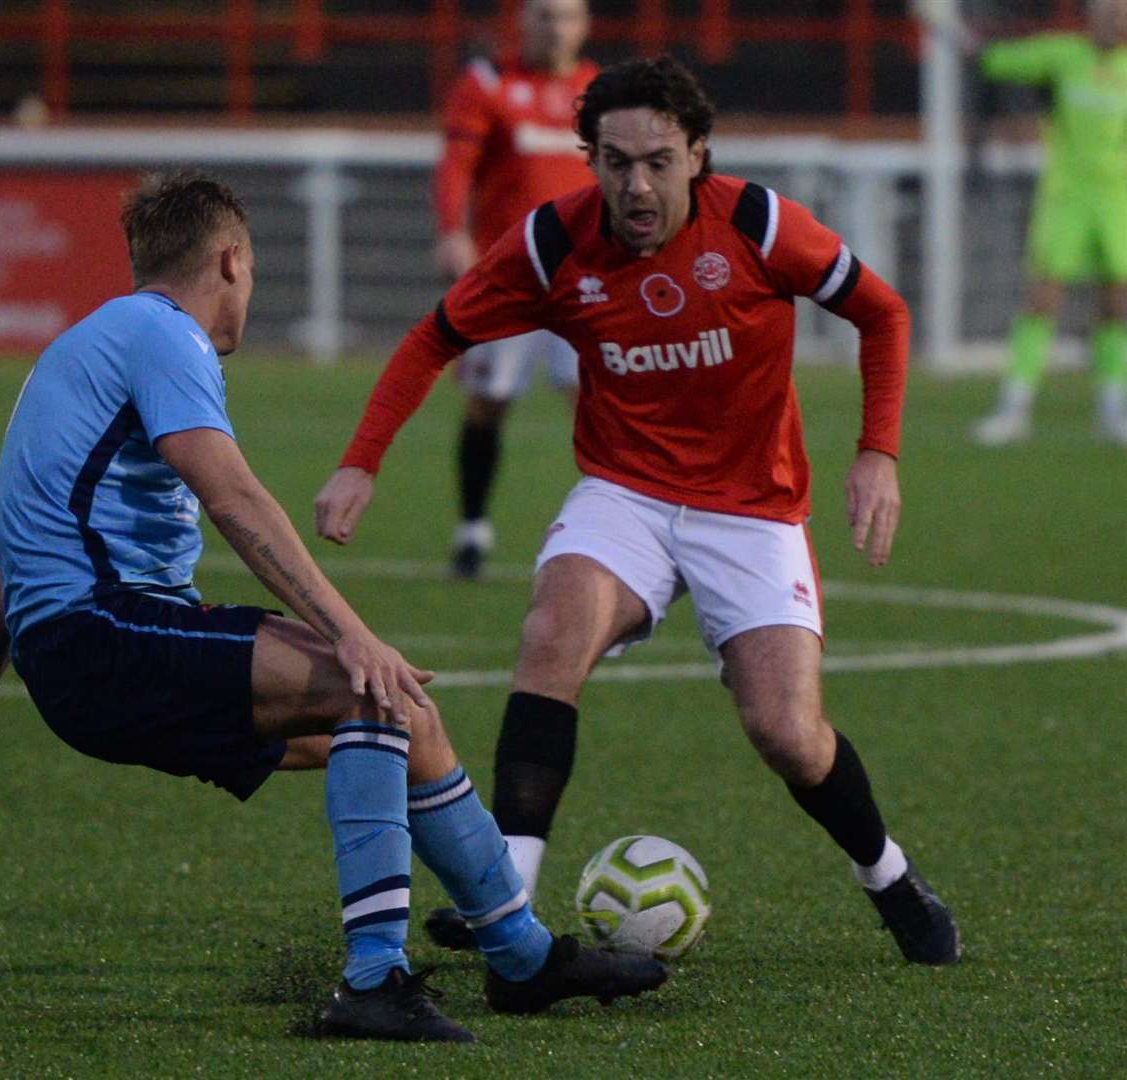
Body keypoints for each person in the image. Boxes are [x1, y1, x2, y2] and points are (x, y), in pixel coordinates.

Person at [0, 171, 666, 1044]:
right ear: (232, 261)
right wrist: (353, 636)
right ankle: (372, 984)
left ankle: (522, 958)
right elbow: (233, 499)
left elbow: (10, 583)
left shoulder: (97, 342)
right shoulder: (163, 336)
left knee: (411, 722)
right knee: (371, 690)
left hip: (90, 653)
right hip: (107, 637)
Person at [316, 57, 962, 966]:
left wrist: (878, 452)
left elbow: (882, 311)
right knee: (552, 630)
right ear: (591, 161)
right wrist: (360, 464)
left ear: (697, 153)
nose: (636, 184)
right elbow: (437, 335)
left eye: (658, 160)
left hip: (754, 510)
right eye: (615, 162)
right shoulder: (553, 243)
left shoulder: (758, 224)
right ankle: (506, 898)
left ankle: (888, 875)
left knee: (787, 733)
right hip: (626, 492)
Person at [435, 0, 596, 578]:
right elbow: (456, 165)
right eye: (544, 15)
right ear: (524, 22)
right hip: (509, 278)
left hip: (587, 282)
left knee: (597, 407)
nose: (556, 27)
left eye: (567, 16)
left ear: (585, 25)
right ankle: (472, 526)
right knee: (488, 402)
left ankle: (611, 532)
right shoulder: (488, 83)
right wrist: (454, 232)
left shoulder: (598, 91)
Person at [970, 0, 1127, 446]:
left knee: (1118, 302)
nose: (1116, 21)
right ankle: (1014, 406)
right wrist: (975, 45)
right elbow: (998, 61)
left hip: (1118, 199)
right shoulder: (1063, 55)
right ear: (1091, 17)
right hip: (1066, 197)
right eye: (1109, 12)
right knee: (1042, 297)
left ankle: (1113, 407)